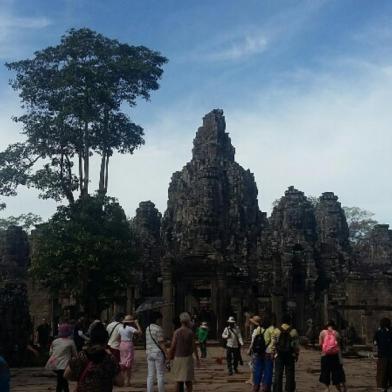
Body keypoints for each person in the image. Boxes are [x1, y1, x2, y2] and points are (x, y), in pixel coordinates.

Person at [64, 322, 124, 391]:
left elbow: (66, 375)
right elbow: (120, 382)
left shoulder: (81, 356)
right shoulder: (110, 359)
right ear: (106, 341)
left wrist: (80, 379)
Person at [169, 312, 200, 392]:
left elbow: (172, 346)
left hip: (178, 358)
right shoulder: (190, 332)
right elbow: (194, 346)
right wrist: (197, 358)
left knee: (178, 380)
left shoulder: (177, 332)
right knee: (188, 380)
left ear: (180, 321)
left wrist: (169, 357)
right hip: (188, 358)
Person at [46, 323, 77, 392]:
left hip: (54, 364)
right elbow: (75, 354)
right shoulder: (70, 342)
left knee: (61, 380)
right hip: (65, 364)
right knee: (63, 381)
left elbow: (50, 353)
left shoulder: (55, 341)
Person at [273, 314, 300, 392]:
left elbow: (273, 344)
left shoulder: (276, 330)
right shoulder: (293, 331)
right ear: (289, 321)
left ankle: (277, 389)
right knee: (290, 374)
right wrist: (296, 354)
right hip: (290, 355)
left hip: (279, 355)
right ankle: (289, 389)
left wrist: (273, 353)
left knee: (278, 374)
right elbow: (296, 345)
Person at [319, 320, 347, 392]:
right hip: (335, 356)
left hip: (325, 355)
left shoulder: (322, 332)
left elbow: (320, 344)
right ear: (333, 326)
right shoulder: (336, 333)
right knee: (336, 372)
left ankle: (327, 388)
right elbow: (339, 345)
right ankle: (340, 389)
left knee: (325, 372)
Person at [146, 311, 167, 392]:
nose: (161, 320)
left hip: (149, 353)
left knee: (150, 375)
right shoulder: (158, 328)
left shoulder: (147, 328)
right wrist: (166, 353)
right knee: (160, 374)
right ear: (157, 319)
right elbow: (161, 343)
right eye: (160, 319)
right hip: (158, 353)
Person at [118, 315, 142, 387]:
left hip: (122, 344)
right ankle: (127, 381)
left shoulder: (120, 328)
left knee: (123, 363)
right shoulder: (130, 328)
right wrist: (137, 324)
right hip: (129, 344)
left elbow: (118, 337)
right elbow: (140, 332)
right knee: (128, 364)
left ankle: (122, 380)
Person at [373, 317, 392, 392]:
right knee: (390, 372)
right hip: (390, 355)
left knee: (382, 372)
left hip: (382, 356)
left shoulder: (378, 332)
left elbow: (375, 343)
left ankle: (382, 387)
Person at [248, 315, 265, 392]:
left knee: (254, 366)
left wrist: (249, 349)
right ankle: (252, 379)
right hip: (262, 350)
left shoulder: (256, 330)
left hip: (256, 350)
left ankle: (255, 381)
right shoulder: (262, 329)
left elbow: (253, 342)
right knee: (254, 365)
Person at [262, 315, 276, 392]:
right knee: (269, 370)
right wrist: (273, 351)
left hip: (265, 351)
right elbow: (274, 341)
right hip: (271, 352)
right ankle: (268, 387)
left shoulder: (265, 330)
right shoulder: (273, 329)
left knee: (266, 370)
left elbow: (265, 341)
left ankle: (265, 386)